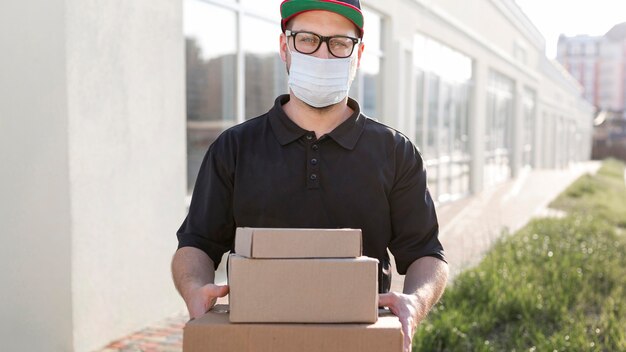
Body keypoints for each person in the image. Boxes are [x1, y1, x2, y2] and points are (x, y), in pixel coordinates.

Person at [172, 0, 449, 350]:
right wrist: (194, 290)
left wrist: (416, 302)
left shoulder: (395, 152)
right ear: (284, 47)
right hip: (254, 338)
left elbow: (427, 253)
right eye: (306, 39)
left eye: (338, 43)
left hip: (359, 340)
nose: (322, 56)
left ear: (358, 54)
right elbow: (196, 243)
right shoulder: (235, 148)